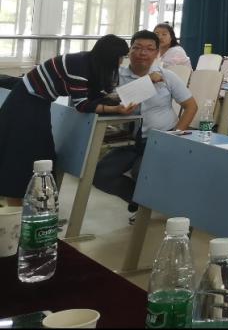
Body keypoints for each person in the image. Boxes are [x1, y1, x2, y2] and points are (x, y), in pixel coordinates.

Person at [0, 35, 137, 205]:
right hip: (24, 104)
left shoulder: (90, 63)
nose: (121, 61)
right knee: (24, 155)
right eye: (120, 57)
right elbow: (82, 105)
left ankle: (35, 205)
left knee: (43, 154)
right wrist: (115, 109)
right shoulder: (79, 66)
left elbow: (93, 95)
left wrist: (114, 100)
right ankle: (18, 205)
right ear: (109, 56)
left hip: (38, 102)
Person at [94, 31, 197, 210]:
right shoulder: (116, 76)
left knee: (141, 172)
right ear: (129, 51)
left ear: (157, 53)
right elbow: (111, 100)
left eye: (149, 49)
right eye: (138, 48)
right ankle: (140, 202)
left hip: (161, 138)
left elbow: (191, 106)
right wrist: (147, 81)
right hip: (129, 141)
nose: (143, 53)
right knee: (100, 175)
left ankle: (152, 206)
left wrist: (176, 134)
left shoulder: (167, 76)